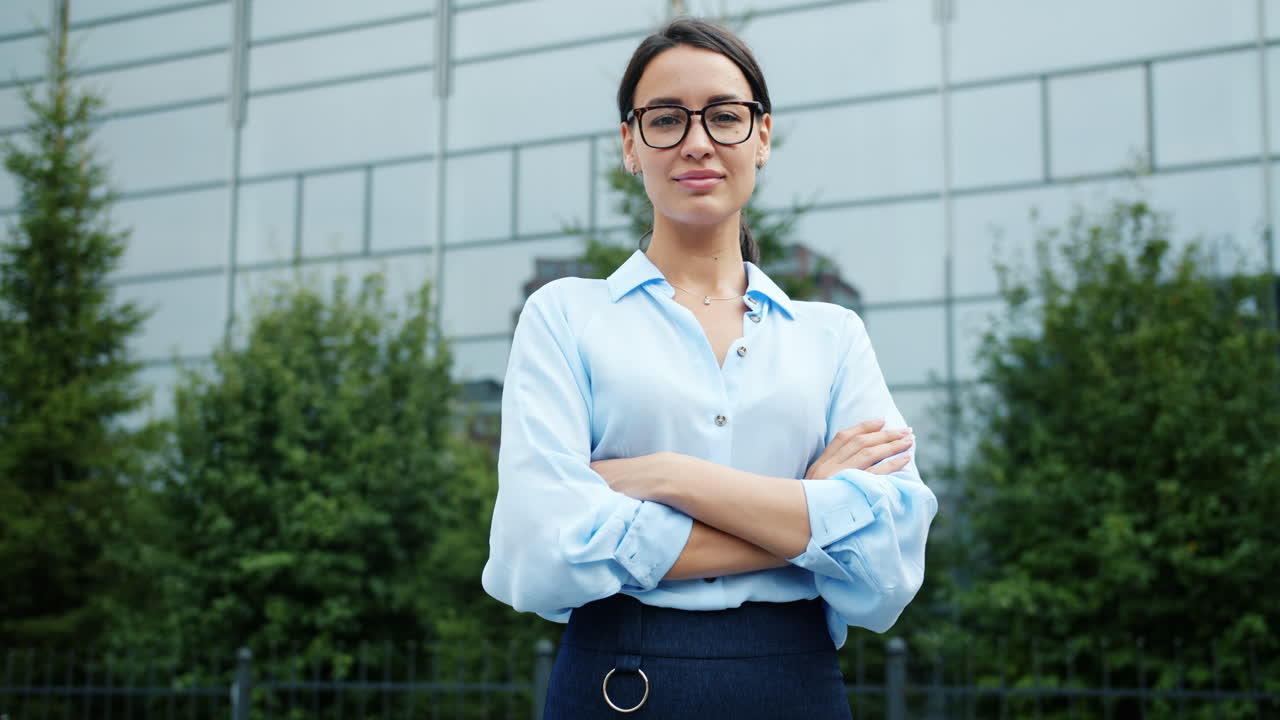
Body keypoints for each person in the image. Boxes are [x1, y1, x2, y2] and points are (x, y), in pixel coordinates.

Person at [481, 17, 938, 719]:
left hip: (798, 688)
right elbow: (539, 553)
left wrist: (672, 477)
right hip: (616, 686)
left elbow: (889, 563)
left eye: (724, 116)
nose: (698, 141)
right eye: (666, 118)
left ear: (762, 135)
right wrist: (806, 515)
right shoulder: (565, 317)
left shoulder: (833, 336)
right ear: (631, 145)